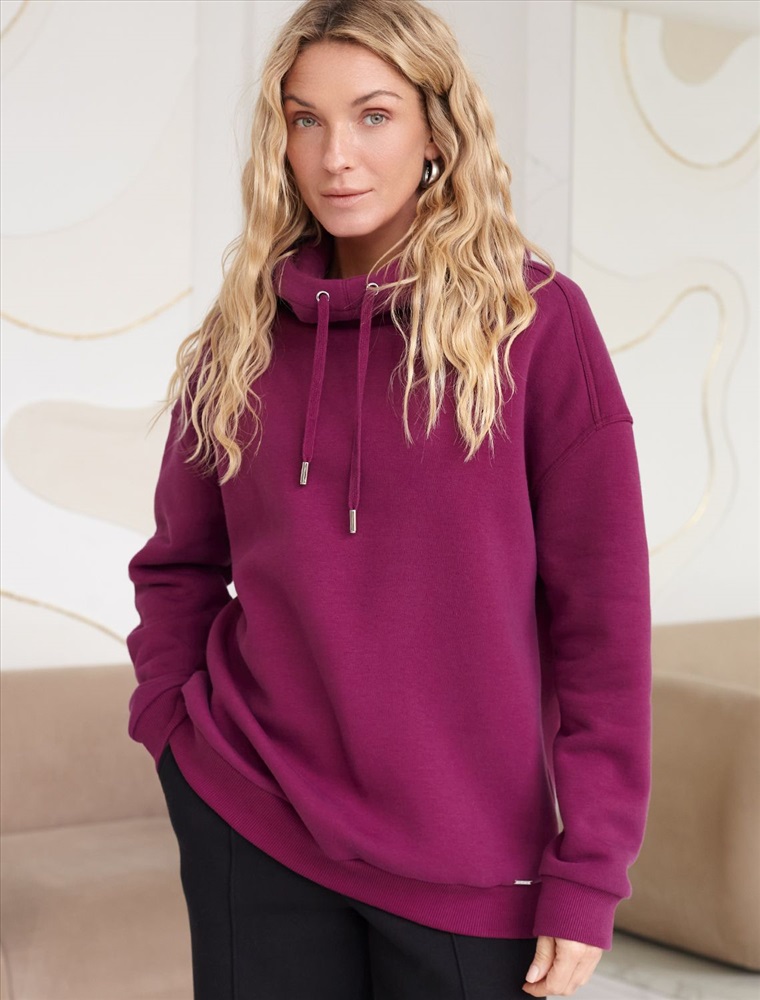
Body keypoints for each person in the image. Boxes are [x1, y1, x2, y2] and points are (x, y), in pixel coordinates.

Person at [126, 1, 652, 997]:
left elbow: (604, 623)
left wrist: (590, 869)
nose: (336, 156)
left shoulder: (534, 327)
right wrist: (172, 728)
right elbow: (178, 565)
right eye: (306, 119)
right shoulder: (240, 338)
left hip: (469, 867)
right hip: (252, 824)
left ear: (435, 132)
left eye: (373, 115)